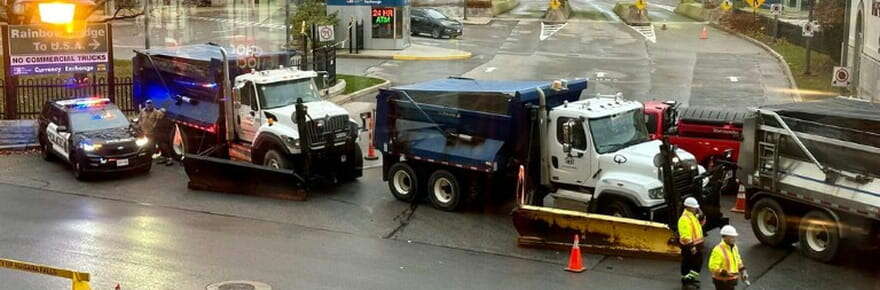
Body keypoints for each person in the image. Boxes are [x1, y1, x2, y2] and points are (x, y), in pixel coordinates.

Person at [709, 225, 748, 290]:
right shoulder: (718, 250)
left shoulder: (734, 247)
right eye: (732, 237)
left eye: (734, 237)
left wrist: (743, 271)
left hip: (730, 281)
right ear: (725, 237)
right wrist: (724, 273)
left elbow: (738, 260)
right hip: (722, 282)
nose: (734, 239)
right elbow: (713, 267)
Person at [678, 197, 706, 287]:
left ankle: (690, 278)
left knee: (697, 262)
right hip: (690, 246)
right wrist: (691, 246)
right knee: (687, 263)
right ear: (689, 207)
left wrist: (702, 218)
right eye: (695, 207)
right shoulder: (684, 219)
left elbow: (699, 226)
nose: (696, 209)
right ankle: (686, 280)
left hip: (696, 245)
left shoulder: (692, 216)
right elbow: (685, 235)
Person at [138, 100, 172, 166]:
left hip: (154, 133)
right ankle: (161, 157)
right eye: (147, 104)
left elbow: (159, 119)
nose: (148, 105)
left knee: (160, 145)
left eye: (150, 104)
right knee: (147, 145)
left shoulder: (156, 112)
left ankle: (169, 158)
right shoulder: (142, 111)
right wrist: (140, 127)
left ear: (152, 105)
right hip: (145, 132)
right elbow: (140, 119)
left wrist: (154, 128)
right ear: (145, 104)